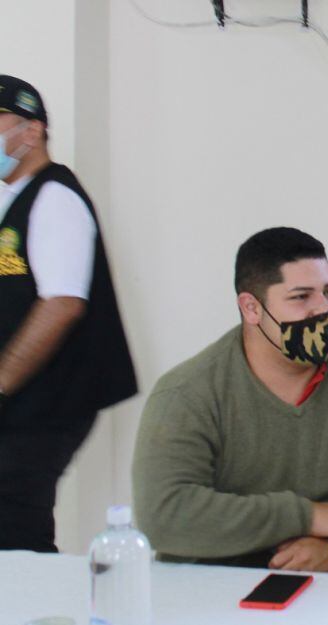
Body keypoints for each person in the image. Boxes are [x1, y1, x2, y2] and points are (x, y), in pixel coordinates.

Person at [132, 227, 328, 577]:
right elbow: (165, 515)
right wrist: (310, 516)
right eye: (301, 297)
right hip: (231, 585)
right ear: (251, 308)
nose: (324, 310)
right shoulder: (187, 395)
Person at [0, 75, 137, 552]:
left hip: (48, 401)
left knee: (16, 524)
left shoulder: (56, 198)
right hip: (24, 400)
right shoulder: (14, 199)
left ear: (31, 131)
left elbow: (62, 304)